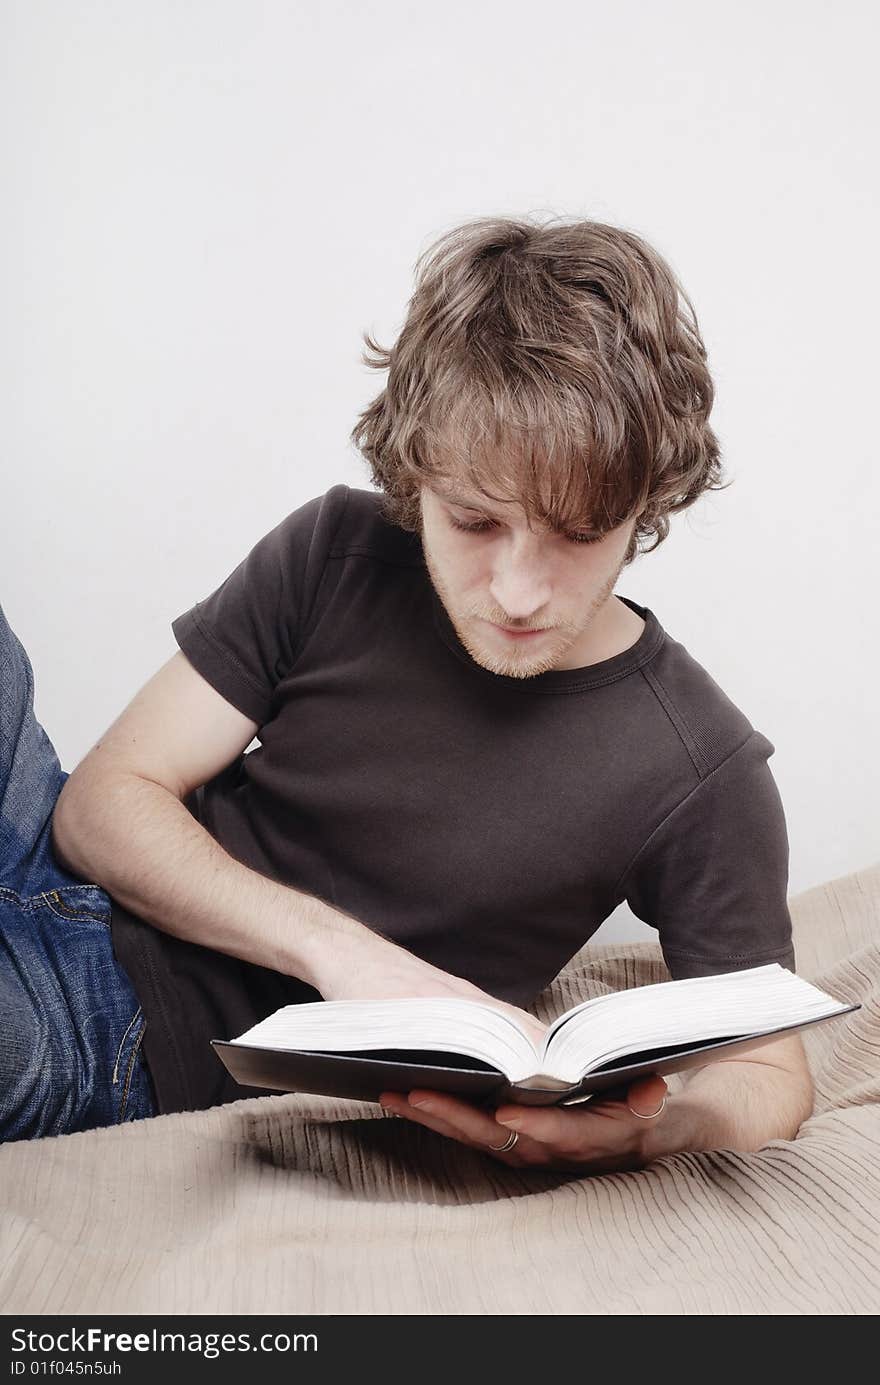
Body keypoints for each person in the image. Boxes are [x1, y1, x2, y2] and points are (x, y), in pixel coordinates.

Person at [1, 215, 814, 1169]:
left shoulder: (698, 766)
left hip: (118, 1025)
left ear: (647, 503)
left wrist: (652, 1129)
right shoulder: (335, 552)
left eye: (577, 532)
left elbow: (770, 1071)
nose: (517, 592)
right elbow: (97, 807)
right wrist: (338, 955)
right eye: (473, 521)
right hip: (38, 853)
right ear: (415, 473)